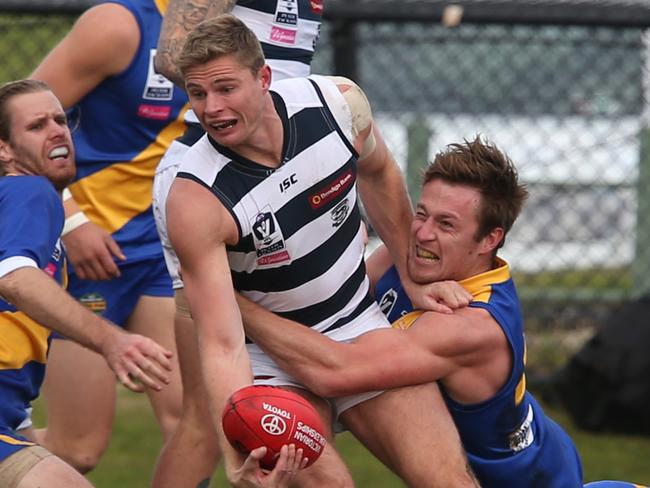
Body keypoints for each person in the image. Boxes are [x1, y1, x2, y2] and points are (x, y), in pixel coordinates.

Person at [167, 14, 479, 488]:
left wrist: (411, 275)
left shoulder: (336, 103)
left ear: (264, 77)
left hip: (359, 325)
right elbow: (221, 342)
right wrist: (236, 457)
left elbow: (380, 172)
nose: (211, 107)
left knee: (451, 482)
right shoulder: (196, 198)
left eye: (226, 88)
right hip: (271, 365)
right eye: (197, 94)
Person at [237, 136, 649, 488]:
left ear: (490, 238)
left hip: (534, 479)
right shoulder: (408, 262)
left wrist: (231, 300)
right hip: (534, 444)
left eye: (446, 224)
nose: (422, 233)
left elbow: (334, 372)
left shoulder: (468, 324)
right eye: (421, 213)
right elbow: (324, 310)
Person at [151, 1, 325, 486]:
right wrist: (238, 82)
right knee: (206, 416)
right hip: (215, 175)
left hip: (280, 163)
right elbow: (173, 55)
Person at [27, 0, 188, 475]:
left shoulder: (241, 32)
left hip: (162, 254)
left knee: (192, 423)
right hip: (85, 257)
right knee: (77, 450)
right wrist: (71, 221)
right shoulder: (119, 26)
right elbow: (12, 125)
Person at [0, 79, 173, 488]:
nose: (58, 130)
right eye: (37, 125)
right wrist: (112, 340)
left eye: (60, 120)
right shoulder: (30, 192)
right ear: (3, 149)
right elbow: (15, 278)